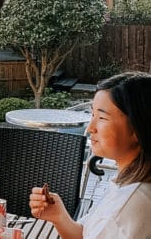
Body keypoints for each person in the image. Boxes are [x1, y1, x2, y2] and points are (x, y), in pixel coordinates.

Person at [29, 71, 151, 238]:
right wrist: (59, 216)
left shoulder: (130, 205)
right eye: (92, 114)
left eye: (102, 117)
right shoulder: (127, 184)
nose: (90, 128)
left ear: (137, 129)